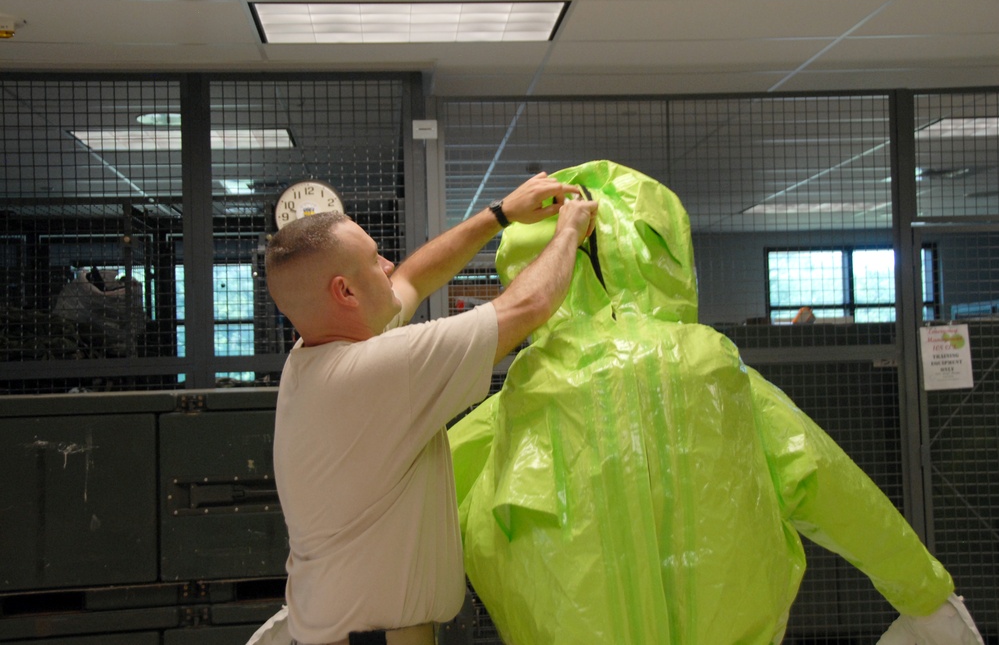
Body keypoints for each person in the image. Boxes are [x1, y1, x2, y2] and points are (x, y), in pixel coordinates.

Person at [449, 160, 985, 645]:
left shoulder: (525, 393)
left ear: (528, 264)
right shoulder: (720, 375)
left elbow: (417, 492)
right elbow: (831, 483)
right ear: (670, 253)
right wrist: (924, 596)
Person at [257, 172, 598, 645]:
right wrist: (569, 232)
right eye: (375, 261)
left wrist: (501, 214)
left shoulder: (312, 357)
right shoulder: (374, 373)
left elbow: (416, 276)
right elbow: (529, 304)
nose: (388, 265)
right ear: (345, 293)